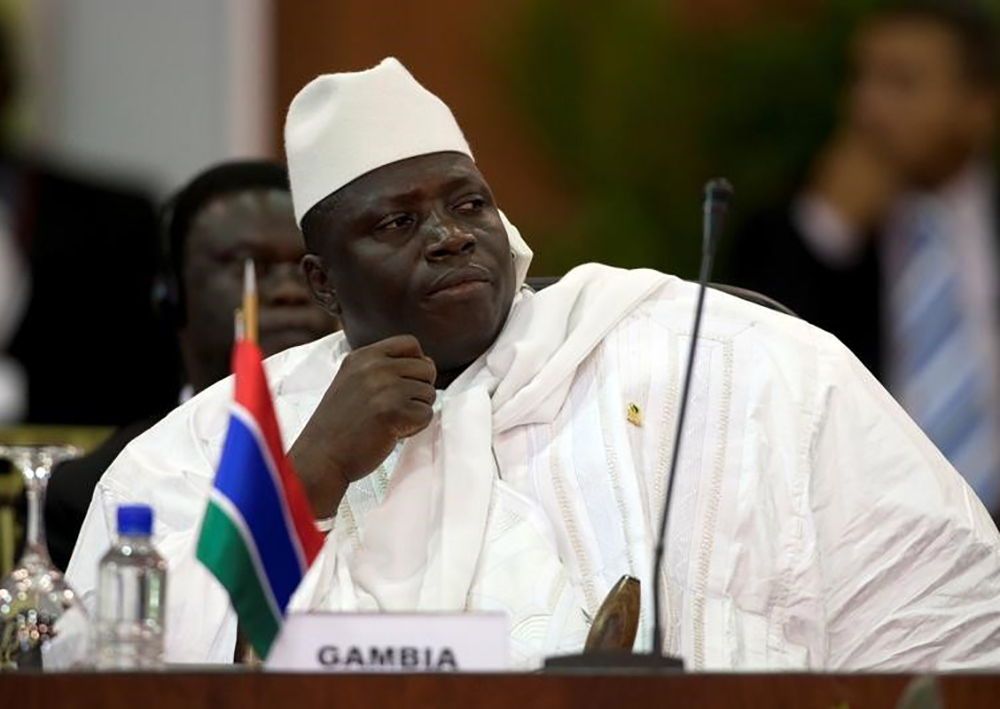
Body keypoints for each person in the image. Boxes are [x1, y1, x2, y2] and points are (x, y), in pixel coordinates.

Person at [68, 58, 1000, 670]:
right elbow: (105, 672)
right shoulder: (208, 445)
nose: (447, 238)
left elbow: (949, 617)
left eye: (467, 206)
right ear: (322, 281)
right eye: (398, 223)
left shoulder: (711, 353)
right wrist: (304, 479)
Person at [729, 1, 1000, 513]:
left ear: (979, 105)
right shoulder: (795, 226)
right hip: (867, 532)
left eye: (901, 83)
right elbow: (753, 378)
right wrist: (827, 231)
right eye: (862, 79)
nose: (867, 108)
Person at [46, 160, 337, 571]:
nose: (290, 291)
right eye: (249, 264)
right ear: (171, 293)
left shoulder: (394, 456)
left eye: (306, 266)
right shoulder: (94, 487)